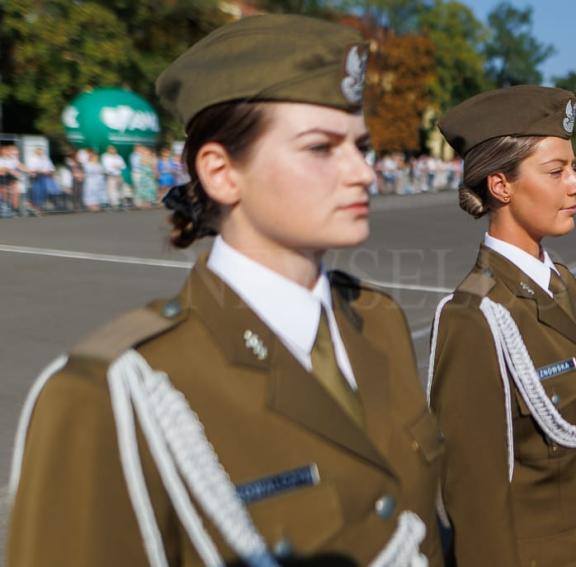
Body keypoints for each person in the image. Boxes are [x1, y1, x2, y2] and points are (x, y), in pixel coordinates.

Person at [8, 15, 443, 567]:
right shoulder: (108, 390)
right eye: (320, 148)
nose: (363, 173)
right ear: (220, 172)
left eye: (361, 146)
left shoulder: (376, 322)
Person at [429, 85, 576, 567]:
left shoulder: (561, 280)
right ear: (501, 186)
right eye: (557, 171)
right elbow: (475, 502)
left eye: (573, 168)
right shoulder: (475, 317)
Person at [27, 147, 58, 211]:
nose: (40, 152)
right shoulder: (32, 159)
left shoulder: (45, 158)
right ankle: (37, 205)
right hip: (36, 176)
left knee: (44, 190)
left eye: (41, 151)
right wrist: (39, 170)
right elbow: (31, 168)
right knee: (37, 191)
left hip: (45, 176)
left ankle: (41, 205)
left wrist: (50, 171)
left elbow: (51, 167)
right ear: (36, 152)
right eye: (39, 151)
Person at [101, 145, 128, 210]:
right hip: (111, 175)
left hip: (119, 175)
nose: (112, 150)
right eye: (111, 149)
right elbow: (107, 167)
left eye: (113, 149)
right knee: (112, 190)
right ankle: (115, 204)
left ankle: (121, 203)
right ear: (108, 150)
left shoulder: (118, 157)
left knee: (121, 190)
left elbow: (123, 166)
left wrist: (117, 166)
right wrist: (116, 167)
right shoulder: (105, 157)